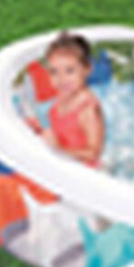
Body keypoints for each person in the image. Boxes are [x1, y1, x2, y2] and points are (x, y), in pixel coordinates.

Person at [37, 31, 105, 167]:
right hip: (66, 163)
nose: (61, 78)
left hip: (85, 173)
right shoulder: (65, 93)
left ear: (87, 69)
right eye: (54, 71)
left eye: (69, 71)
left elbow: (93, 153)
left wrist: (59, 150)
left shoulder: (88, 109)